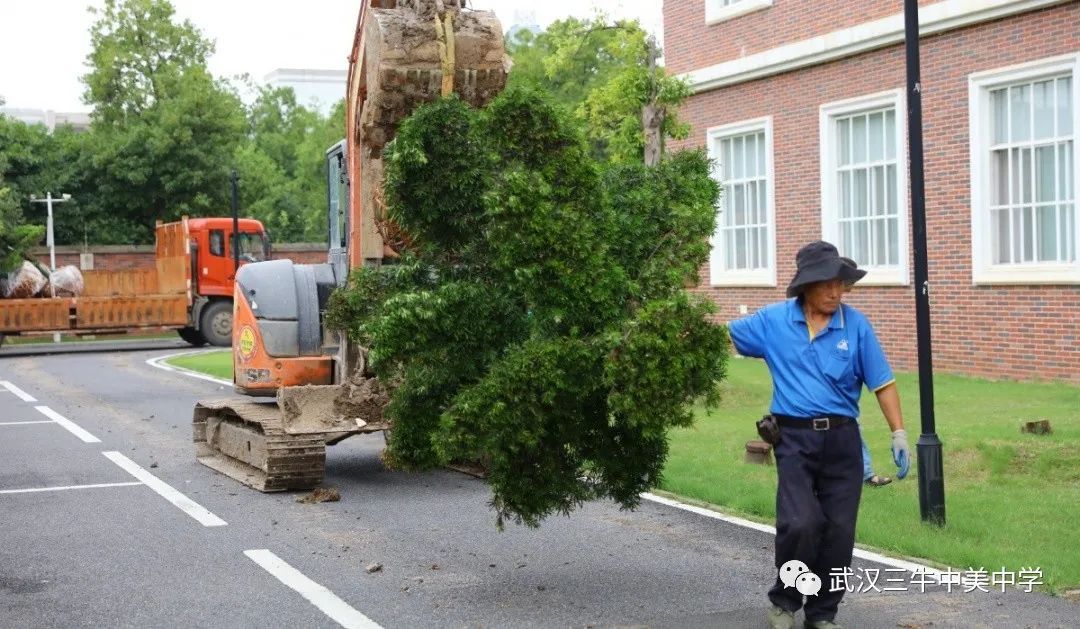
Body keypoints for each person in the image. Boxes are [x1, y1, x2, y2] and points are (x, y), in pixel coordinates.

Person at [728, 241, 909, 629]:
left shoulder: (856, 325)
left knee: (839, 531)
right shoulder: (773, 322)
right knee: (800, 523)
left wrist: (899, 434)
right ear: (805, 286)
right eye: (827, 284)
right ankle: (785, 600)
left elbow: (883, 382)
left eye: (840, 284)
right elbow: (725, 335)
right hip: (793, 440)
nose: (835, 292)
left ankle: (823, 613)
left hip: (843, 442)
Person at [838, 256, 891, 488]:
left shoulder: (854, 321)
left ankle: (865, 473)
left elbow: (882, 380)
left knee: (852, 430)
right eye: (848, 282)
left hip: (845, 402)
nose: (850, 288)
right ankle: (862, 474)